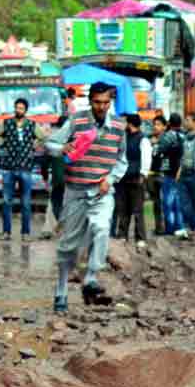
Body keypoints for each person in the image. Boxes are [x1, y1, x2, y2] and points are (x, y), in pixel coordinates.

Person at [46, 83, 128, 313]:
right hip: (75, 191)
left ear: (110, 102)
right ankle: (61, 290)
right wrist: (63, 148)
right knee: (68, 246)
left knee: (102, 228)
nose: (101, 107)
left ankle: (91, 276)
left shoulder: (119, 126)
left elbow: (122, 160)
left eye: (106, 102)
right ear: (90, 101)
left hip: (101, 190)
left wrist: (110, 179)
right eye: (97, 102)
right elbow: (50, 144)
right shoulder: (76, 121)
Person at [0, 98, 49, 240]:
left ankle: (25, 233)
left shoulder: (32, 125)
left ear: (25, 110)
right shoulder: (6, 123)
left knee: (26, 202)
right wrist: (2, 142)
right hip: (8, 168)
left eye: (21, 108)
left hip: (26, 168)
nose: (18, 110)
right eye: (16, 107)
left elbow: (44, 137)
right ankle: (6, 232)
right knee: (7, 201)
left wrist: (34, 144)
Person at [114, 113, 152, 246]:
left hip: (136, 178)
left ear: (130, 124)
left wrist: (143, 175)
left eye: (125, 122)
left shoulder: (143, 139)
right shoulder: (123, 137)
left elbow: (146, 158)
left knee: (137, 210)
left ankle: (140, 238)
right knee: (122, 209)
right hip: (122, 178)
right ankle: (122, 235)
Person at [158, 114, 186, 237]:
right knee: (177, 202)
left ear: (169, 123)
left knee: (168, 202)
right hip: (180, 171)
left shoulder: (168, 136)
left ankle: (169, 228)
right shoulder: (184, 136)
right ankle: (179, 226)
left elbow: (159, 151)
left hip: (169, 171)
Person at [147, 116, 168, 236]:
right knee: (155, 202)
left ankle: (168, 226)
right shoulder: (149, 139)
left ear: (164, 127)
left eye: (159, 124)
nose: (156, 127)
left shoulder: (167, 139)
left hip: (163, 174)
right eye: (155, 124)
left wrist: (158, 142)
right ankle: (158, 227)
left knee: (165, 201)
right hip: (151, 174)